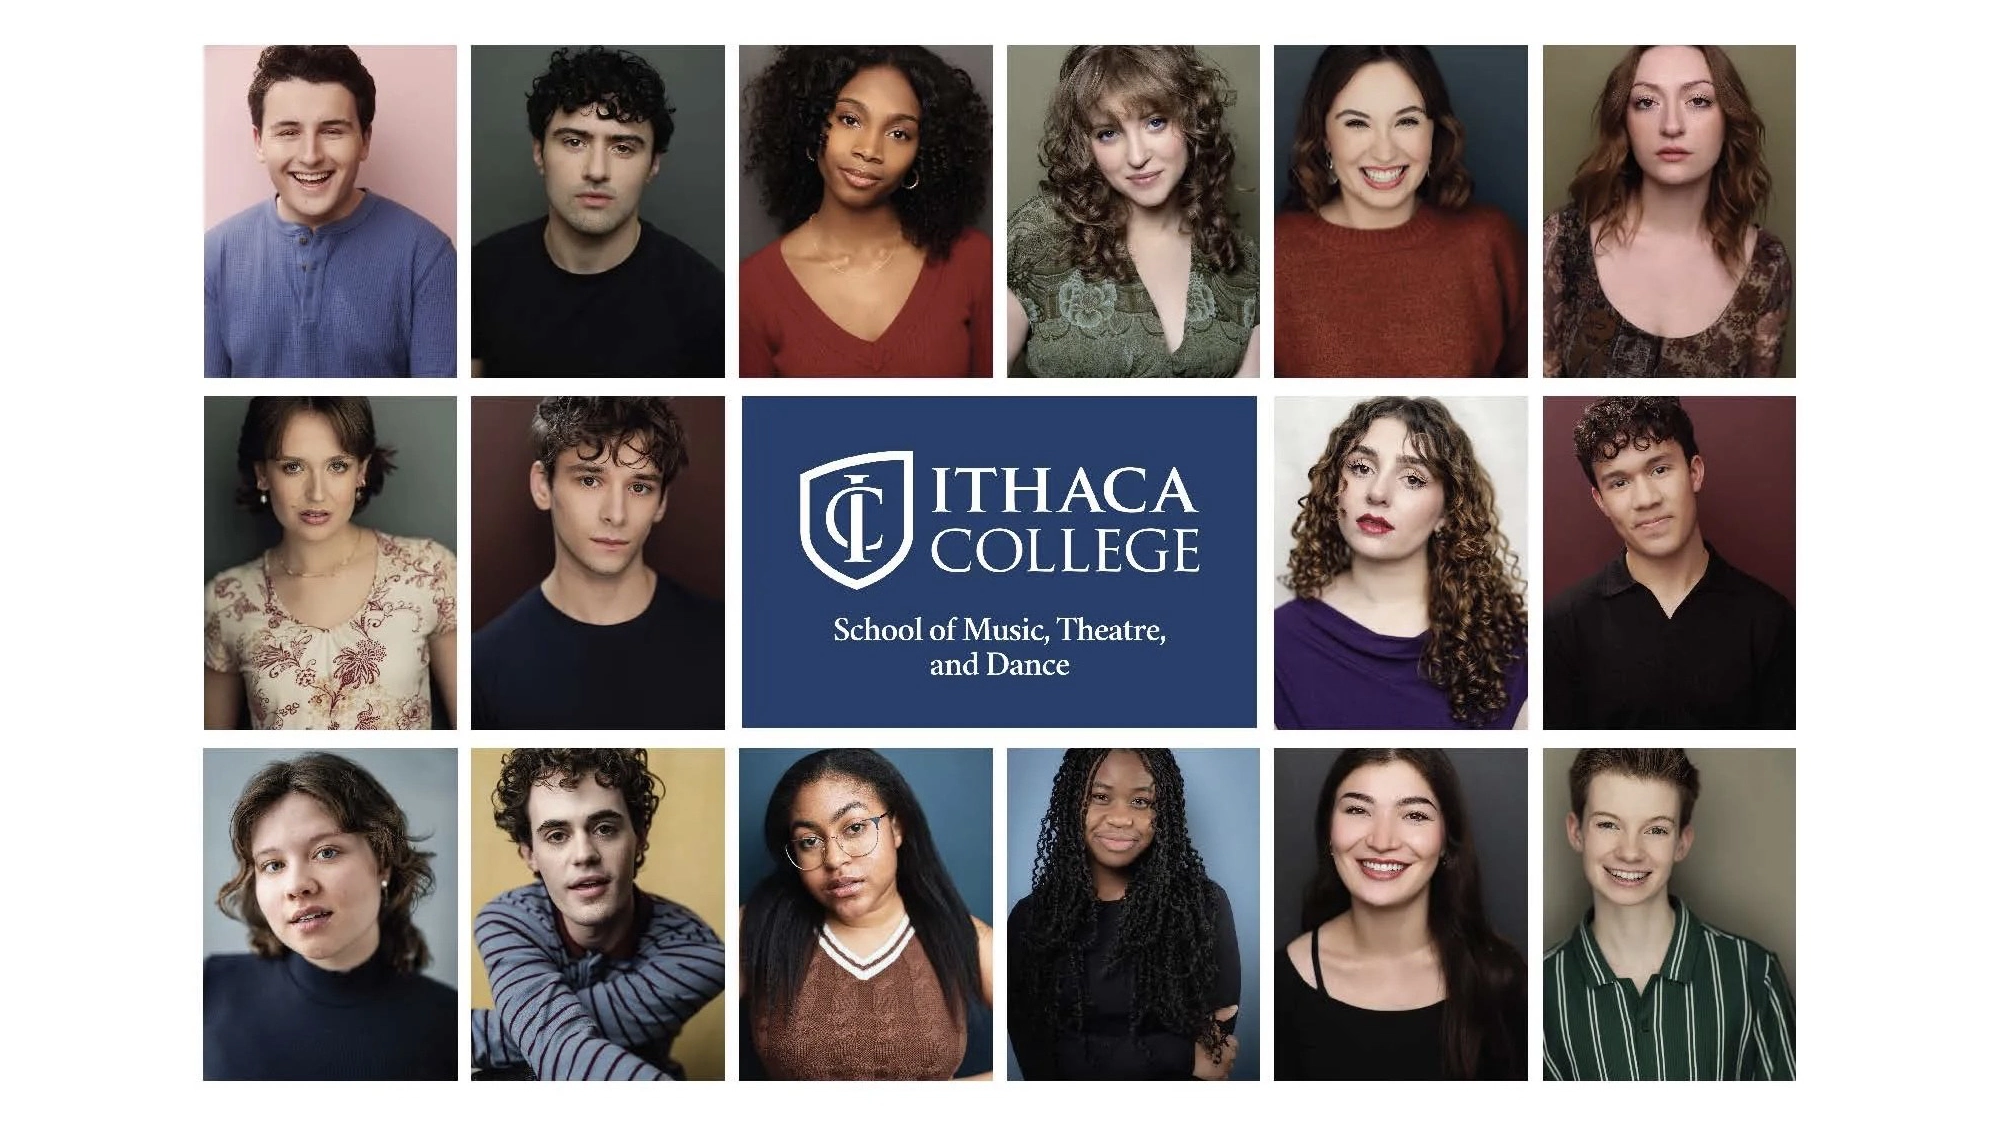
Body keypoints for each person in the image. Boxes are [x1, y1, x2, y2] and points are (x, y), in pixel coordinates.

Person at [470, 397, 723, 730]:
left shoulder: (730, 642)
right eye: (590, 480)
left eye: (639, 487)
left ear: (661, 501)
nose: (615, 514)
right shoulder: (483, 666)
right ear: (542, 486)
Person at [205, 396, 457, 730]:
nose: (317, 494)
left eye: (337, 465)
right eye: (292, 467)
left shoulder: (428, 570)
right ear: (262, 474)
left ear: (361, 472)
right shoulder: (225, 601)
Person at [1007, 46, 1259, 378]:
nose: (1137, 156)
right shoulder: (1037, 237)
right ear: (1087, 145)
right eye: (1108, 133)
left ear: (1191, 121)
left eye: (1155, 122)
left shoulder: (1245, 263)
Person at [1275, 397, 1526, 729]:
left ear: (1447, 512)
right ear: (1335, 486)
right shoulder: (1275, 642)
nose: (1378, 493)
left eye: (1412, 478)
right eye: (1361, 468)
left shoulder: (1513, 649)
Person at [472, 748, 724, 1080]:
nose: (584, 855)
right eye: (557, 836)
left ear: (640, 838)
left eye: (604, 828)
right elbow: (552, 1039)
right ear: (530, 855)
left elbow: (557, 1044)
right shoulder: (507, 920)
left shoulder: (699, 954)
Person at [1274, 46, 1526, 377]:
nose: (1384, 151)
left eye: (1406, 121)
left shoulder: (1491, 242)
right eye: (1356, 123)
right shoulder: (1278, 252)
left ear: (1434, 132)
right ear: (1325, 139)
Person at [742, 749, 994, 1079]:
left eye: (855, 828)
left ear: (897, 828)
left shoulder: (968, 937)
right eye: (809, 841)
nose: (834, 859)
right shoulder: (756, 926)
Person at [740, 46, 992, 376]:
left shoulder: (973, 261)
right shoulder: (753, 289)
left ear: (923, 152)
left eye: (899, 133)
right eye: (850, 120)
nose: (870, 150)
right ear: (811, 124)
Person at [205, 45, 455, 377]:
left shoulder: (427, 256)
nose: (310, 155)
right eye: (289, 132)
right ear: (259, 142)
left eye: (332, 131)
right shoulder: (212, 256)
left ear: (365, 140)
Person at [472, 47, 724, 377]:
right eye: (574, 142)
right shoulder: (480, 274)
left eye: (623, 147)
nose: (596, 170)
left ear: (653, 165)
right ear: (539, 152)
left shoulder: (708, 301)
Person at [1544, 750, 1795, 1079]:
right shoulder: (1538, 989)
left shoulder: (1753, 975)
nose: (1631, 852)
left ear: (1682, 842)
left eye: (1657, 830)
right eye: (1608, 824)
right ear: (1576, 832)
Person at [1276, 749, 1526, 1080]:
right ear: (1328, 833)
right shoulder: (1279, 985)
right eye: (1357, 810)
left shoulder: (1503, 980)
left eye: (1414, 816)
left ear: (1446, 842)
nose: (1382, 841)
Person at [1546, 397, 1794, 728]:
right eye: (1619, 483)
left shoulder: (1770, 620)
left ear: (1694, 473)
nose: (1646, 499)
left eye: (1660, 469)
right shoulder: (1561, 625)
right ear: (1601, 500)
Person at [205, 752, 455, 1080]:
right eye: (273, 865)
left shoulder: (450, 1023)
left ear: (382, 863)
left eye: (326, 852)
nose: (296, 886)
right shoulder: (208, 988)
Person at [1545, 46, 1791, 376]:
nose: (1672, 125)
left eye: (1698, 100)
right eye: (1646, 102)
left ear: (1728, 118)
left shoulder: (1767, 263)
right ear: (1624, 120)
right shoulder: (1561, 241)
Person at [1009, 749, 1241, 1080]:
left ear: (1163, 811)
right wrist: (1177, 1053)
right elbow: (1041, 1063)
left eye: (1141, 802)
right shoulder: (1030, 921)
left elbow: (1215, 1053)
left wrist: (1088, 1050)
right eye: (1101, 797)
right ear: (1073, 803)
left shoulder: (1203, 906)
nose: (1121, 818)